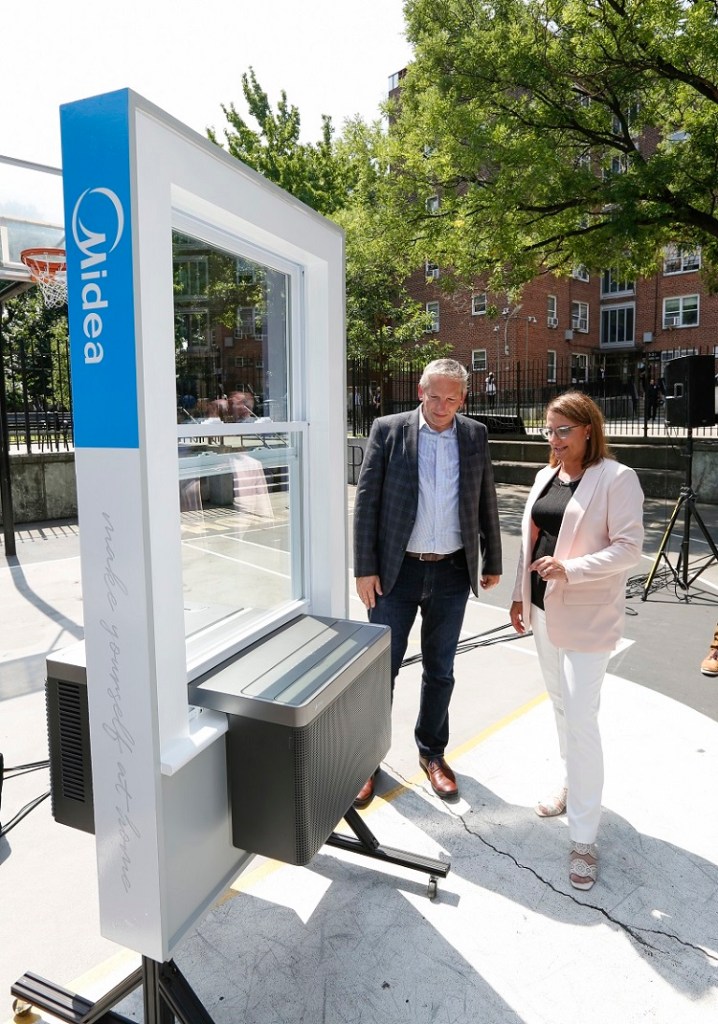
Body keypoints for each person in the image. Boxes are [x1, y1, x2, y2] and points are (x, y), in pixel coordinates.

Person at [509, 391, 643, 890]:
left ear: (589, 429)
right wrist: (520, 595)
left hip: (589, 618)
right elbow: (531, 542)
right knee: (561, 707)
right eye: (550, 430)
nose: (555, 439)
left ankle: (584, 839)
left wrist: (572, 568)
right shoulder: (545, 476)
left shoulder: (617, 478)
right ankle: (572, 783)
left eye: (564, 430)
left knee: (581, 719)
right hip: (545, 613)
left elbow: (629, 549)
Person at [353, 358, 502, 806]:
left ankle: (432, 753)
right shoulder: (388, 430)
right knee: (381, 671)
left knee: (441, 670)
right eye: (434, 396)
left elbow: (486, 498)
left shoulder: (474, 435)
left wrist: (492, 559)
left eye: (451, 399)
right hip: (395, 574)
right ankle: (366, 761)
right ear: (421, 392)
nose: (441, 406)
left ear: (463, 399)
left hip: (452, 571)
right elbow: (366, 502)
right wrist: (364, 568)